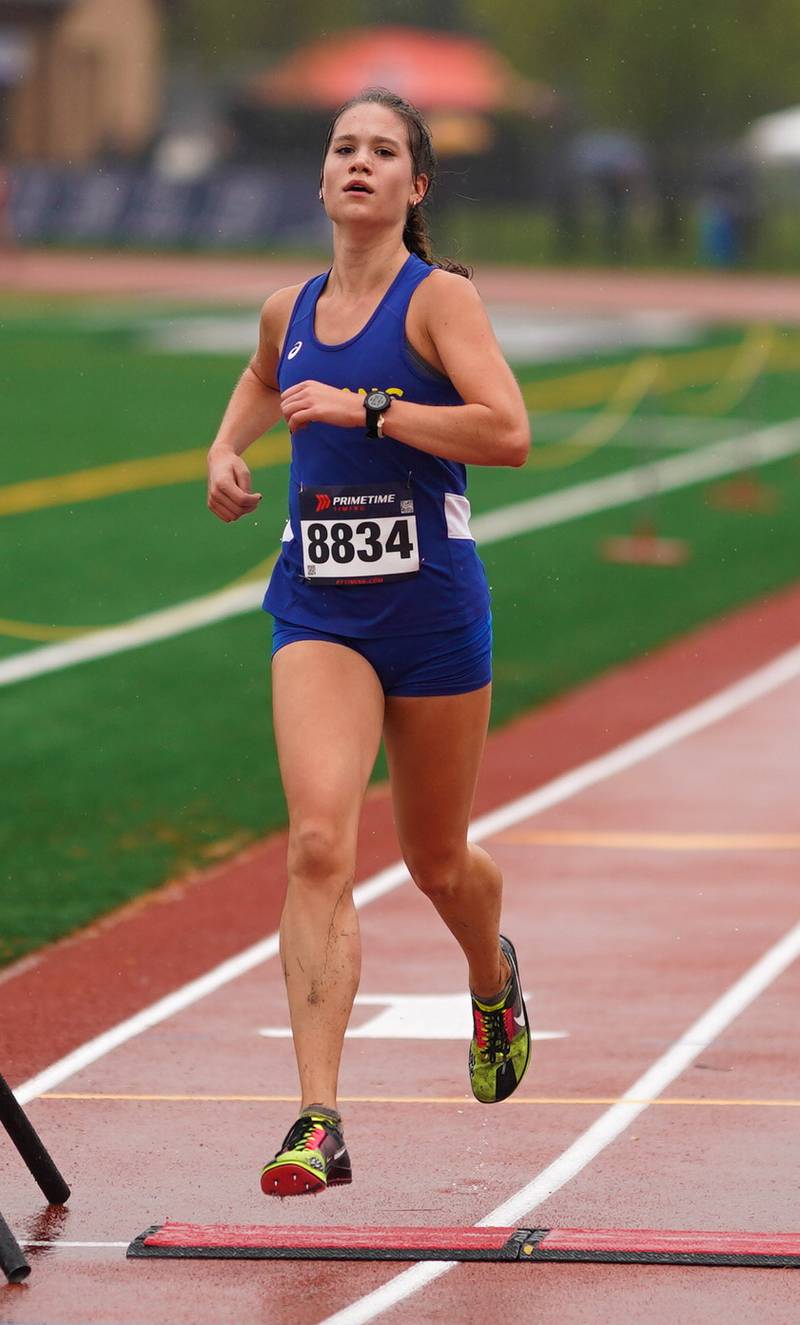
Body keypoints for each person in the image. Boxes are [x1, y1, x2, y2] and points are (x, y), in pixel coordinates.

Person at [207, 87, 532, 1198]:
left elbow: (508, 433)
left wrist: (372, 410)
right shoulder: (284, 306)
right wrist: (224, 449)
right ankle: (317, 1118)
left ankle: (489, 981)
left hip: (432, 612)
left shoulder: (439, 301)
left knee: (435, 860)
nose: (358, 163)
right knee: (314, 844)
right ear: (321, 179)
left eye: (382, 150)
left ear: (413, 185)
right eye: (342, 147)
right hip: (321, 609)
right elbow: (263, 377)